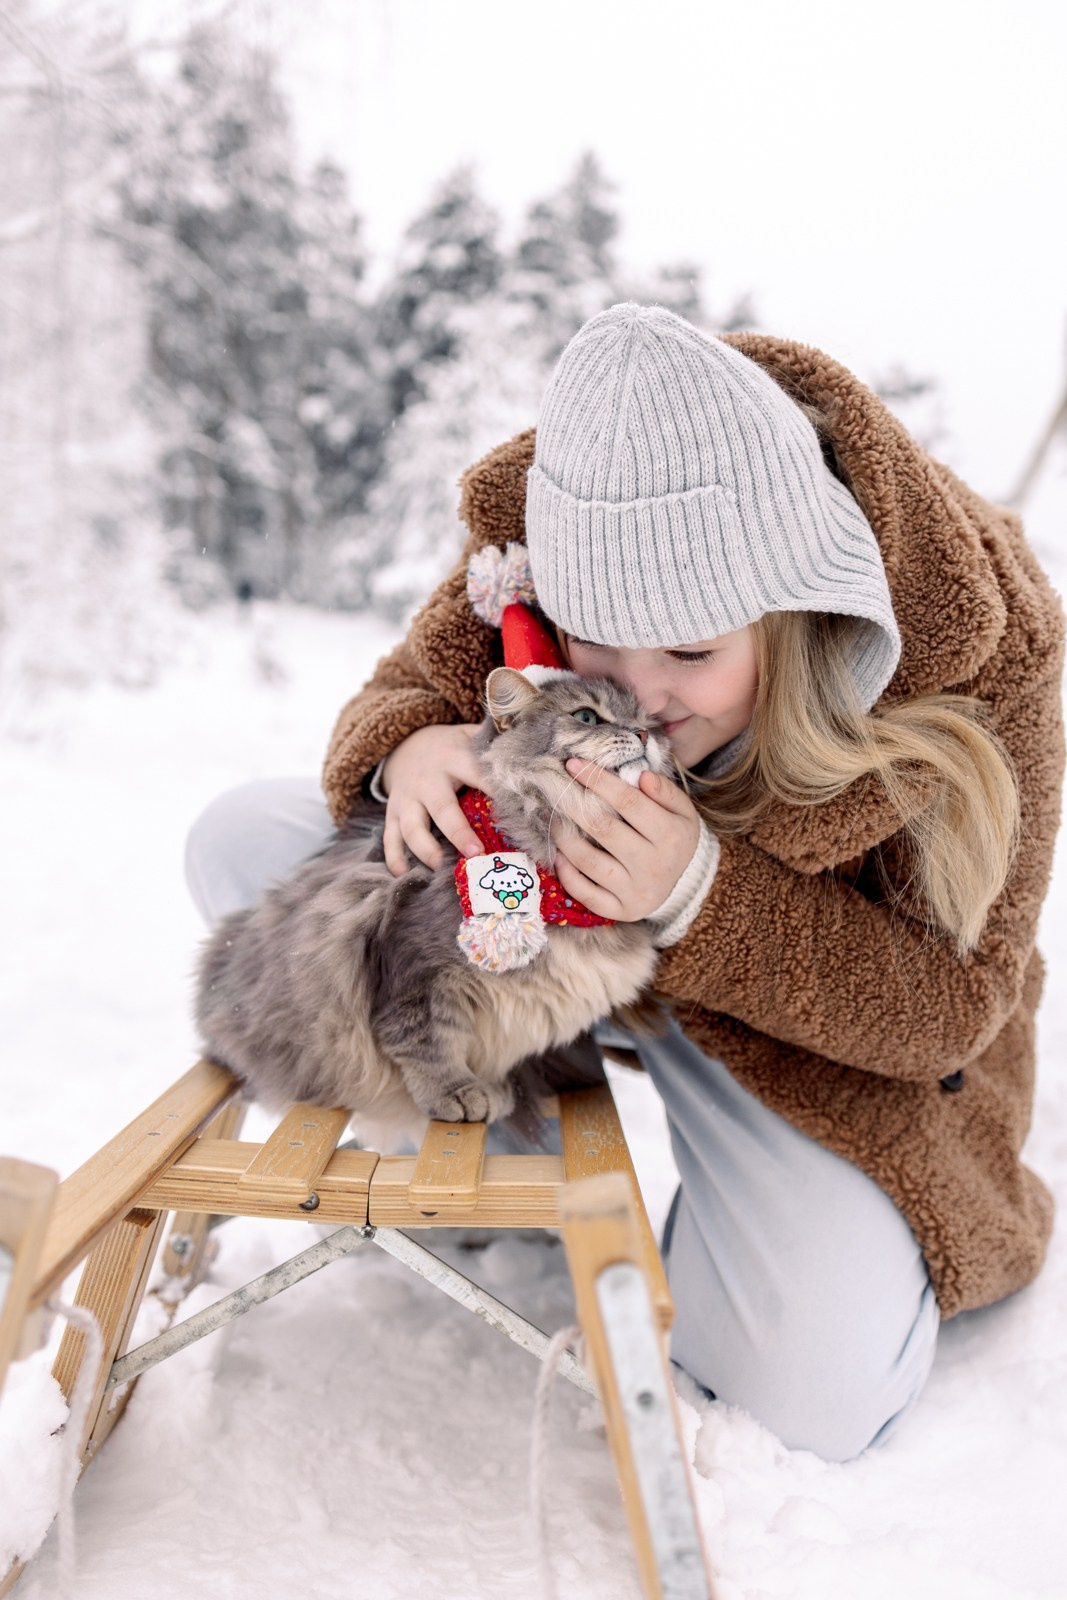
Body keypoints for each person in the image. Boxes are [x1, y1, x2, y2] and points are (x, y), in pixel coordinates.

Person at [186, 304, 1064, 1461]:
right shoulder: (565, 518)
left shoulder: (983, 646)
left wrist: (699, 893)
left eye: (691, 652)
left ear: (800, 609)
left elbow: (948, 1009)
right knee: (247, 839)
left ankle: (764, 1230)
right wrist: (409, 749)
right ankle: (509, 1133)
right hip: (543, 941)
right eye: (592, 642)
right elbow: (404, 683)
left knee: (802, 1397)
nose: (637, 698)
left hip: (796, 1028)